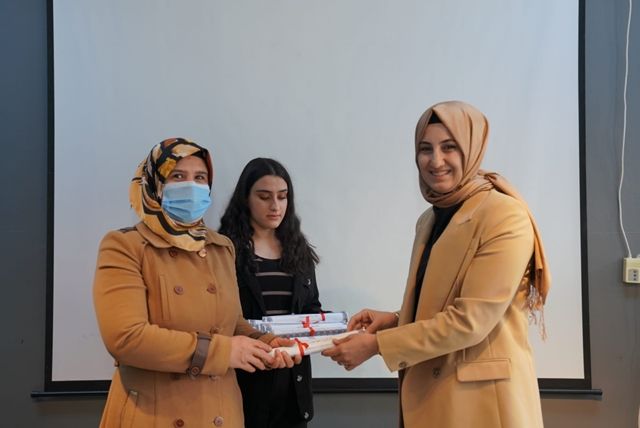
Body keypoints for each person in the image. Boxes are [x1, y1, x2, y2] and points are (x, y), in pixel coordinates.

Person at [322, 101, 550, 428]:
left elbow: (470, 320)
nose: (436, 160)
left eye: (449, 147)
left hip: (481, 405)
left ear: (472, 148)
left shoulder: (504, 215)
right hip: (432, 394)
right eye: (425, 149)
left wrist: (376, 345)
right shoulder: (429, 219)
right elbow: (443, 303)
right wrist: (395, 320)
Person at [93, 138, 299, 428]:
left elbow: (232, 324)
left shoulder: (221, 247)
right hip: (154, 414)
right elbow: (126, 339)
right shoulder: (125, 246)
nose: (191, 186)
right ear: (155, 184)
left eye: (200, 178)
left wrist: (264, 343)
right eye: (178, 176)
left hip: (222, 412)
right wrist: (224, 352)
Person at [219, 157, 322, 428]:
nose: (275, 206)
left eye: (282, 196)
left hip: (292, 382)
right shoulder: (224, 250)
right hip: (244, 381)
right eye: (264, 197)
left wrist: (331, 328)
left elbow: (311, 307)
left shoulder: (298, 249)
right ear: (245, 199)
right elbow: (219, 318)